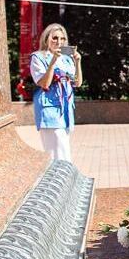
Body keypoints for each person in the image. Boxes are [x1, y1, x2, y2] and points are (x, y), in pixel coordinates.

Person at [31, 23, 82, 162]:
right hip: (50, 110)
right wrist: (53, 62)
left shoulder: (66, 59)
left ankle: (64, 179)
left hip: (65, 111)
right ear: (46, 38)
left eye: (62, 39)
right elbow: (44, 84)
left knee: (64, 150)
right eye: (54, 38)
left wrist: (78, 62)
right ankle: (57, 180)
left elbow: (77, 83)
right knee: (55, 153)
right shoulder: (38, 57)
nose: (59, 42)